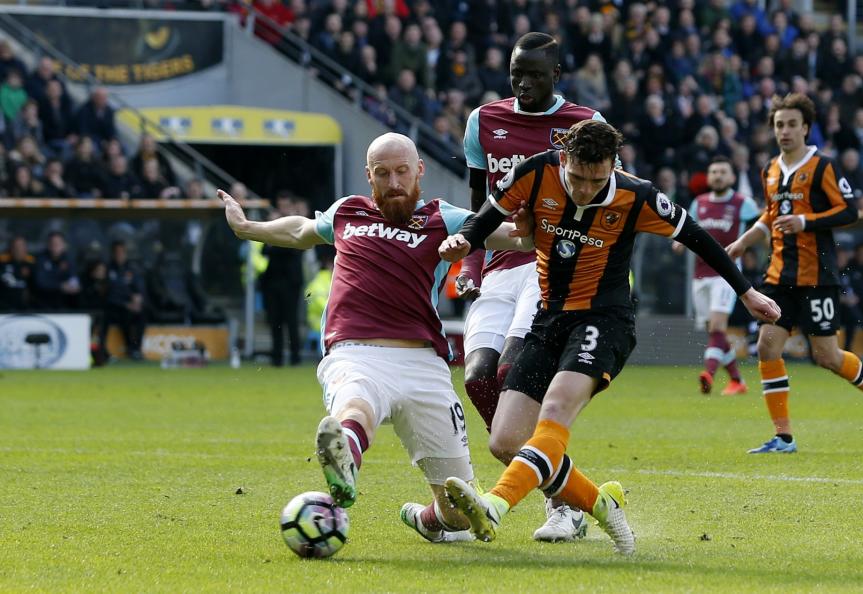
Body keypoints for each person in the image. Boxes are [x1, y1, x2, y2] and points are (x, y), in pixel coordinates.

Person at [437, 120, 780, 554]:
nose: (584, 189)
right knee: (505, 441)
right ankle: (601, 504)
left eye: (596, 180)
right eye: (577, 178)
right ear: (564, 160)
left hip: (606, 320)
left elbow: (695, 236)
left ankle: (495, 505)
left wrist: (745, 291)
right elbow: (484, 218)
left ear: (612, 167)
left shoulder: (637, 195)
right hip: (549, 319)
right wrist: (463, 243)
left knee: (557, 409)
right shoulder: (535, 172)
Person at [218, 132, 530, 544]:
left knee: (458, 514)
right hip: (356, 351)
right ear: (369, 176)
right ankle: (344, 453)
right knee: (356, 402)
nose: (394, 182)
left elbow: (515, 237)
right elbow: (300, 231)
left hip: (424, 365)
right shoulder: (348, 212)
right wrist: (247, 227)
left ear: (420, 170)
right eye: (383, 173)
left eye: (402, 171)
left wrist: (531, 223)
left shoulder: (445, 218)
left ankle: (429, 517)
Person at [458, 31, 611, 542]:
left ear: (557, 76)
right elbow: (479, 205)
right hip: (501, 267)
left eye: (535, 74)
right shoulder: (483, 122)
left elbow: (612, 204)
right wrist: (469, 265)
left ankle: (558, 505)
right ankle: (555, 484)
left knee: (512, 369)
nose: (523, 83)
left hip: (551, 267)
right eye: (516, 73)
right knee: (479, 378)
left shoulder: (586, 126)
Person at [726, 93, 863, 454]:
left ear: (806, 128)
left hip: (817, 277)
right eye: (779, 125)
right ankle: (784, 437)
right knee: (767, 345)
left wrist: (807, 221)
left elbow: (849, 211)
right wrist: (743, 242)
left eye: (792, 124)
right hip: (778, 276)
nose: (785, 131)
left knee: (827, 356)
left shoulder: (823, 166)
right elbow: (770, 215)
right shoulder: (770, 170)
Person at [672, 156, 760, 396]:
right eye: (714, 172)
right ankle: (737, 380)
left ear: (732, 177)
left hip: (727, 274)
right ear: (708, 177)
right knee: (715, 332)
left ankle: (708, 373)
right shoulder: (698, 203)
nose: (718, 176)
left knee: (718, 325)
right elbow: (686, 229)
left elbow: (761, 227)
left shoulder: (744, 203)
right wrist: (680, 242)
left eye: (723, 172)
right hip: (700, 275)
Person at [260, 193, 305, 367]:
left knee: (291, 320)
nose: (282, 209)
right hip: (273, 280)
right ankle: (276, 357)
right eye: (280, 206)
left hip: (291, 281)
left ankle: (295, 357)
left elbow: (294, 249)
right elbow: (265, 250)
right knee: (275, 320)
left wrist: (275, 238)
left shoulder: (297, 224)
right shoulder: (274, 225)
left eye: (285, 205)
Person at [103, 241, 146, 360]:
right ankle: (129, 347)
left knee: (141, 315)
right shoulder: (108, 268)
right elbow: (110, 292)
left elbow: (139, 287)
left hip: (131, 305)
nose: (119, 255)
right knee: (124, 316)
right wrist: (125, 303)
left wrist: (138, 298)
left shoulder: (132, 268)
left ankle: (136, 348)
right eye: (117, 252)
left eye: (122, 252)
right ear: (113, 254)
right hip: (115, 306)